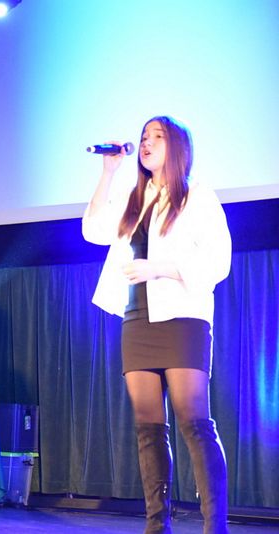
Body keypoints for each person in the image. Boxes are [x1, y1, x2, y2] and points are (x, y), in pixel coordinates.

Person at [82, 116, 231, 533]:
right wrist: (108, 172)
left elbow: (218, 261)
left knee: (194, 422)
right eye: (143, 137)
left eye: (157, 136)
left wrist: (159, 268)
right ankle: (156, 524)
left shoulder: (198, 195)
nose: (146, 143)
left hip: (183, 318)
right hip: (137, 319)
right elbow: (92, 230)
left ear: (177, 146)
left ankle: (215, 525)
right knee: (148, 428)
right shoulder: (135, 198)